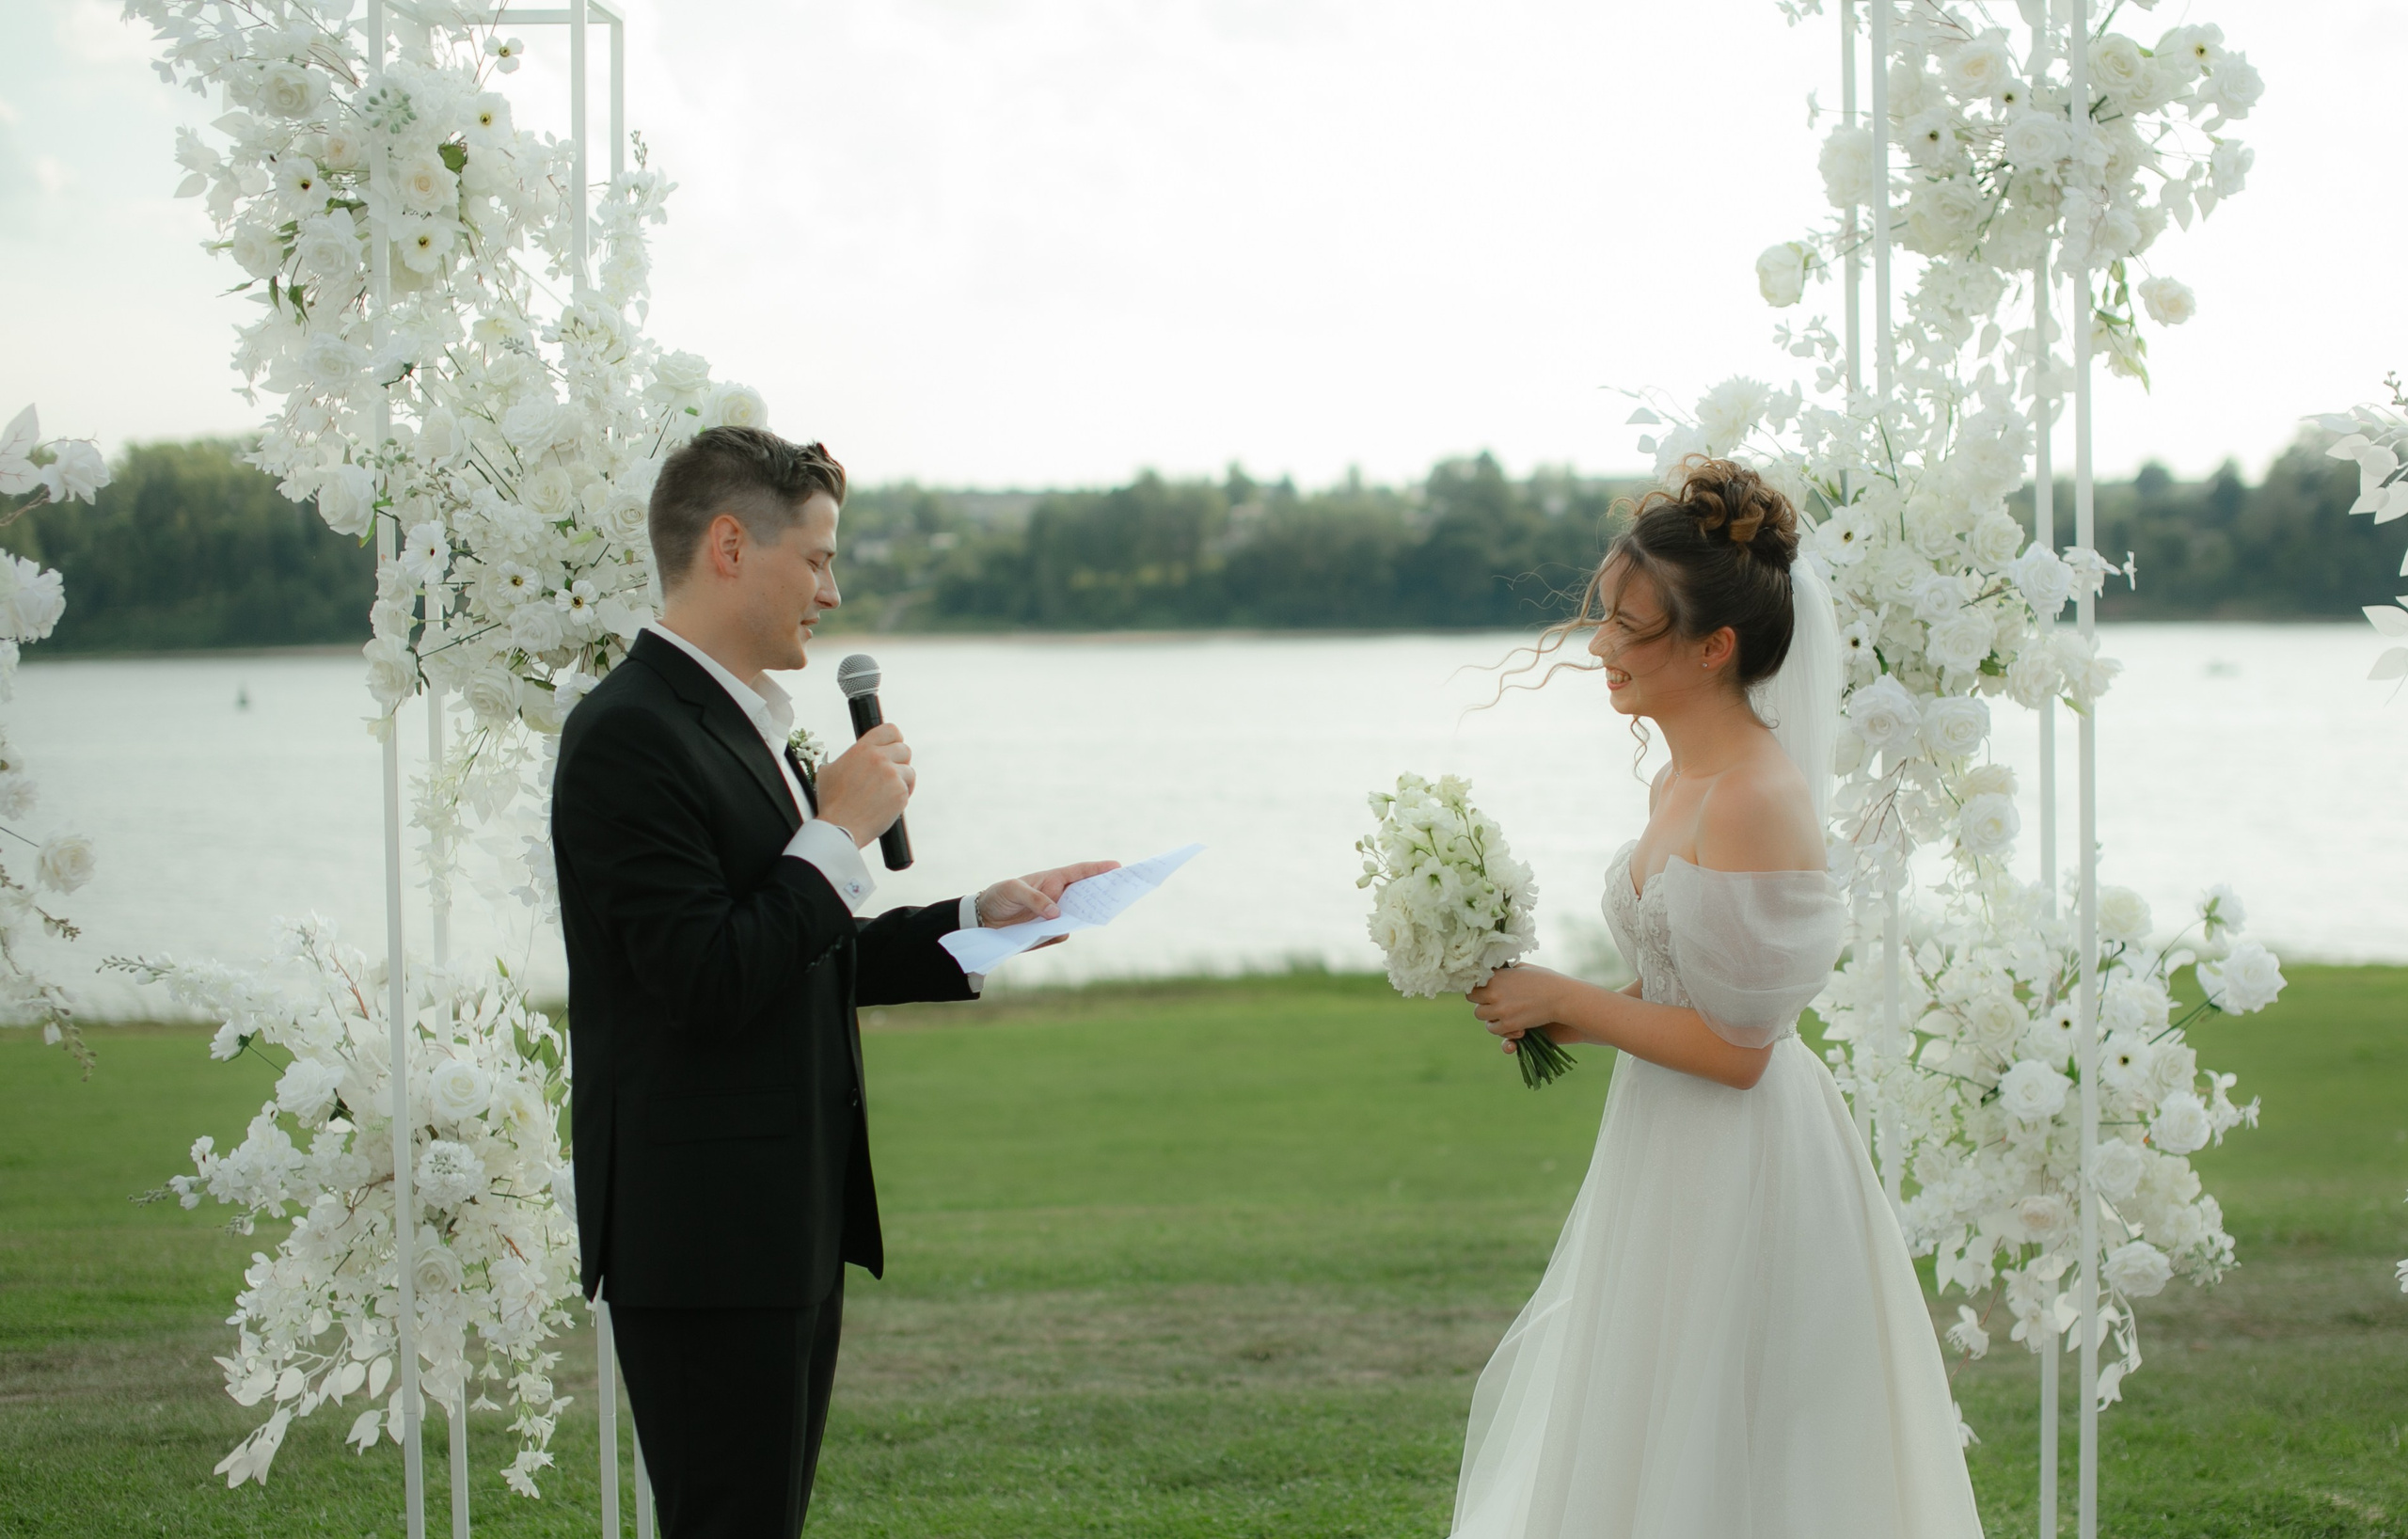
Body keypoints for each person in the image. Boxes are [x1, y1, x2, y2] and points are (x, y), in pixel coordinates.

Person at [550, 426, 1114, 1538]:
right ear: (727, 545)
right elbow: (707, 975)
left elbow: (803, 949)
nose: (831, 588)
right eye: (813, 559)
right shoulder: (627, 735)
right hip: (704, 1235)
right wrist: (843, 825)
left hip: (785, 1220)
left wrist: (974, 918)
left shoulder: (740, 722)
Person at [1450, 457, 1984, 1538]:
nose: (1599, 645)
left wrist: (1572, 998)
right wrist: (1562, 1004)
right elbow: (1684, 985)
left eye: (1628, 627)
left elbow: (1741, 1047)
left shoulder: (1751, 799)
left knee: (1742, 1430)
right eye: (1603, 617)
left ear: (1714, 646)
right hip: (1664, 1140)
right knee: (1645, 1411)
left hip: (1746, 1157)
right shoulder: (1675, 782)